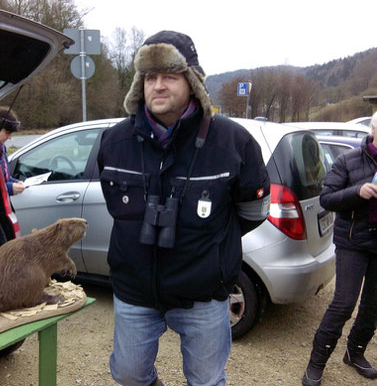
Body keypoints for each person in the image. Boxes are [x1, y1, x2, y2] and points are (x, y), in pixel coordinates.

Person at [97, 30, 270, 386]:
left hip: (204, 293)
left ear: (192, 82)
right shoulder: (114, 141)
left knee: (206, 380)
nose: (158, 86)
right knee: (129, 376)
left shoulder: (232, 141)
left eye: (169, 77)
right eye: (150, 77)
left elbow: (253, 211)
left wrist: (212, 248)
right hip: (135, 290)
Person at [302, 111, 377, 386]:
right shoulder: (348, 161)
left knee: (372, 306)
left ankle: (355, 352)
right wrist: (357, 192)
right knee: (344, 303)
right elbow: (327, 199)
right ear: (372, 128)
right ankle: (316, 363)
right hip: (353, 241)